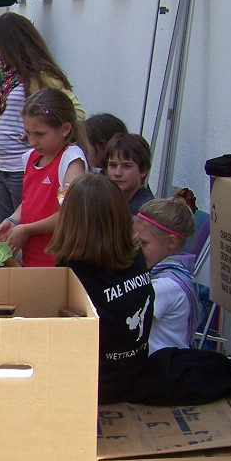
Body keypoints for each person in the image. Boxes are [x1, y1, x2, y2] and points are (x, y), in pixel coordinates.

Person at [47, 173, 153, 404]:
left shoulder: (73, 271)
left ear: (70, 220)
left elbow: (61, 342)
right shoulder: (135, 254)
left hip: (98, 386)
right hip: (135, 373)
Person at [0, 12, 84, 223]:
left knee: (28, 226)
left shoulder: (39, 75)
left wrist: (34, 132)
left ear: (13, 43)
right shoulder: (5, 77)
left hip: (23, 169)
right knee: (8, 230)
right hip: (2, 167)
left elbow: (74, 111)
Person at [0, 88, 87, 267]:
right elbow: (31, 200)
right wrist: (14, 219)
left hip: (58, 264)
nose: (32, 141)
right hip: (33, 259)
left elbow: (68, 212)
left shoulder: (70, 160)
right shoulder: (31, 157)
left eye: (40, 134)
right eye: (28, 133)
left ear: (65, 129)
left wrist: (28, 229)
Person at [134, 194, 202, 352]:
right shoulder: (178, 273)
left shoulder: (166, 286)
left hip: (161, 370)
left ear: (171, 242)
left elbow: (128, 314)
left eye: (144, 243)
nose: (137, 249)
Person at [104, 132, 155, 213]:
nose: (118, 173)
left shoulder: (145, 214)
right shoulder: (110, 202)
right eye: (112, 165)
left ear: (143, 170)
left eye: (127, 166)